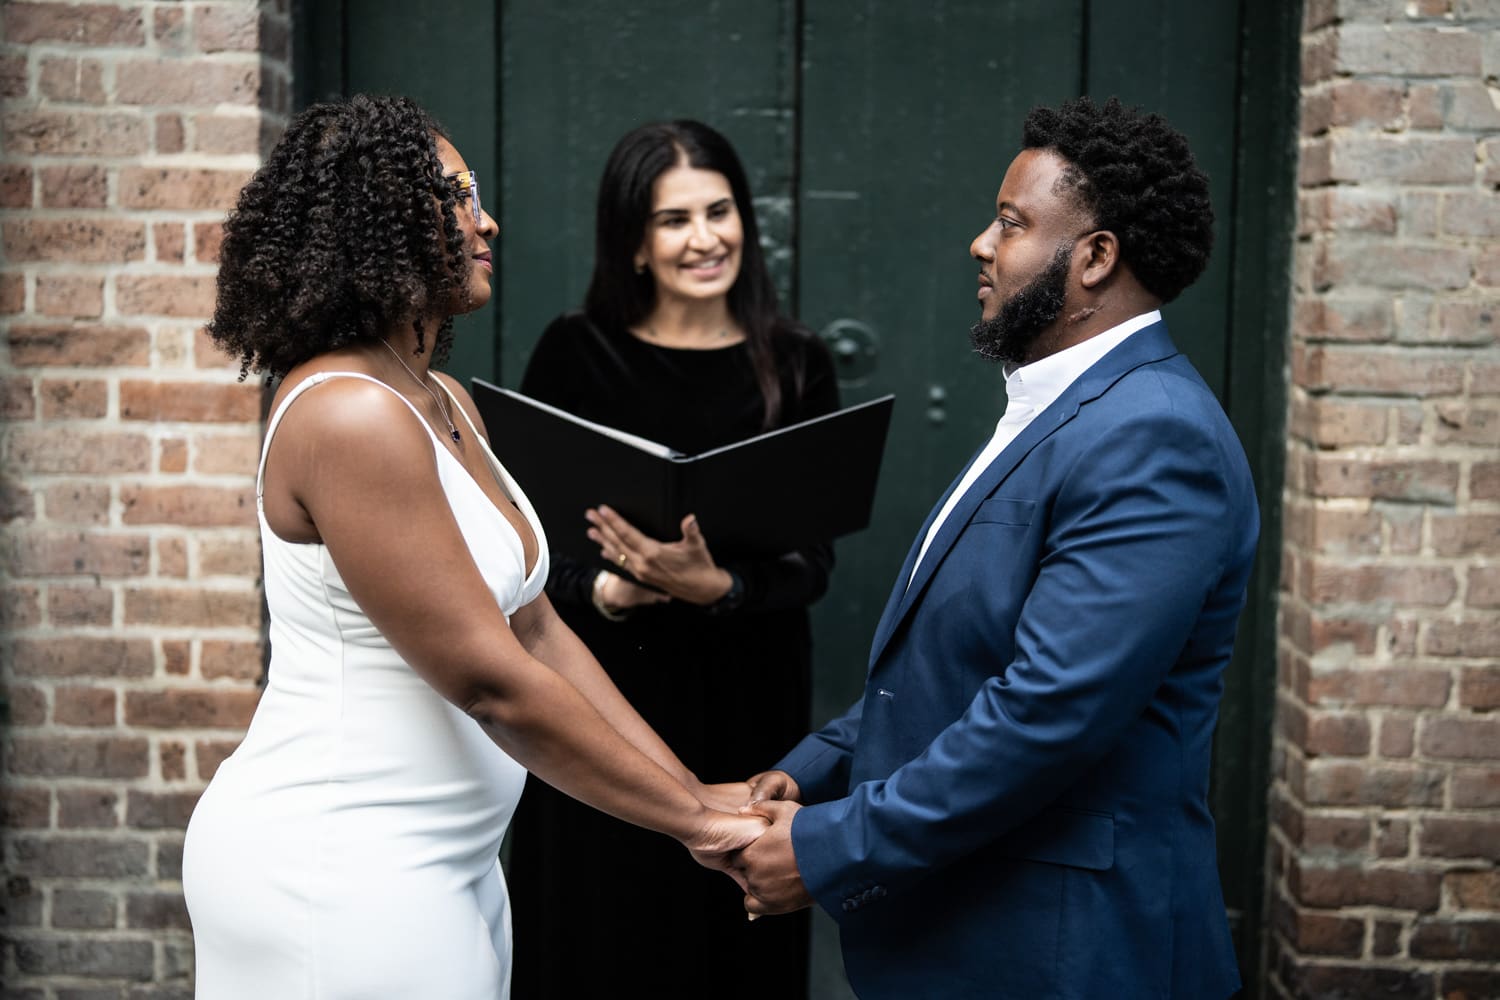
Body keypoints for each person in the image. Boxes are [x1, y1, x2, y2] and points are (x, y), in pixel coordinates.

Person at [180, 95, 765, 1000]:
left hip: (447, 860)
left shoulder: (442, 399)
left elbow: (537, 633)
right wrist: (694, 823)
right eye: (451, 196)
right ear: (375, 223)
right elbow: (492, 681)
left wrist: (692, 788)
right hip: (340, 868)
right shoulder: (349, 413)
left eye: (476, 193)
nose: (483, 218)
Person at [734, 96, 1257, 999]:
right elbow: (956, 659)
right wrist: (810, 771)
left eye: (1012, 224)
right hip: (971, 925)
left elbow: (1044, 715)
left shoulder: (1155, 437)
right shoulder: (1063, 404)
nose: (982, 243)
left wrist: (830, 846)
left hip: (1063, 950)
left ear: (1094, 257)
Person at [507, 119, 837, 999]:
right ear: (636, 243)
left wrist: (721, 586)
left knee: (735, 942)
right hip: (607, 696)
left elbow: (814, 565)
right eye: (673, 220)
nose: (705, 238)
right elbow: (529, 549)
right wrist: (610, 591)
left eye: (719, 211)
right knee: (603, 932)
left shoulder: (797, 363)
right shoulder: (576, 353)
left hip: (751, 695)